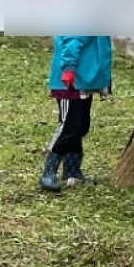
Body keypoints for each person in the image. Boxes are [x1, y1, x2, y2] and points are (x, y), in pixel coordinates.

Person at [39, 35, 112, 192]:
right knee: (69, 125)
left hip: (83, 78)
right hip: (70, 80)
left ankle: (72, 171)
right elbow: (72, 38)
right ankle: (49, 171)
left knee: (81, 125)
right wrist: (69, 67)